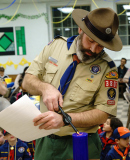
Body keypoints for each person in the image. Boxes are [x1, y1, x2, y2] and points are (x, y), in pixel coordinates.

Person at [22, 7, 122, 160]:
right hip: (46, 140)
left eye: (101, 45)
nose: (94, 50)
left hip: (82, 142)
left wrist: (64, 119)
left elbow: (103, 114)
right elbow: (27, 81)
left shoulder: (107, 69)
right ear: (80, 30)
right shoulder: (55, 46)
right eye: (91, 41)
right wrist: (45, 88)